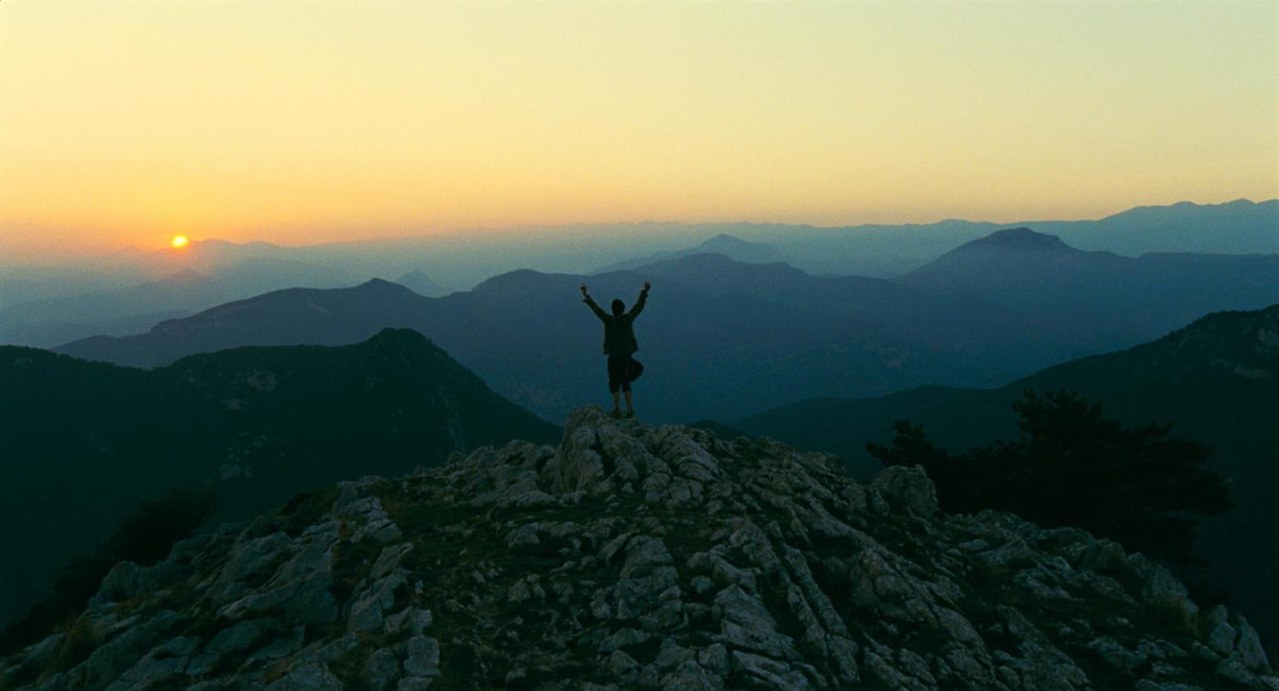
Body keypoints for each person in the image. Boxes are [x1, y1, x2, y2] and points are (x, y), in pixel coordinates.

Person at [580, 281, 650, 418]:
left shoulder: (608, 320)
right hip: (626, 356)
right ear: (623, 309)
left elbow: (597, 310)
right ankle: (630, 410)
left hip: (613, 357)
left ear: (613, 310)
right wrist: (644, 292)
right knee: (626, 382)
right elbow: (638, 307)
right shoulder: (628, 319)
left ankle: (617, 409)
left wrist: (586, 296)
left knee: (614, 382)